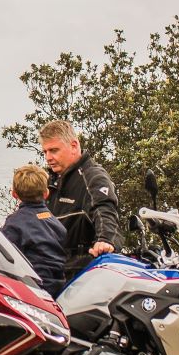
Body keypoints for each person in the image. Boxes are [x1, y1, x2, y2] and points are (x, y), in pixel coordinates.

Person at [40, 118, 122, 281]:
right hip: (52, 271)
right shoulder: (51, 180)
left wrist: (105, 240)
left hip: (80, 274)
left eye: (54, 150)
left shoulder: (93, 177)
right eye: (45, 152)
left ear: (74, 146)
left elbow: (104, 210)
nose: (48, 157)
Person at [0, 163, 71, 296]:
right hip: (59, 287)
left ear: (14, 194)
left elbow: (4, 257)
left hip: (33, 289)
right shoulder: (56, 223)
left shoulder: (14, 223)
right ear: (46, 193)